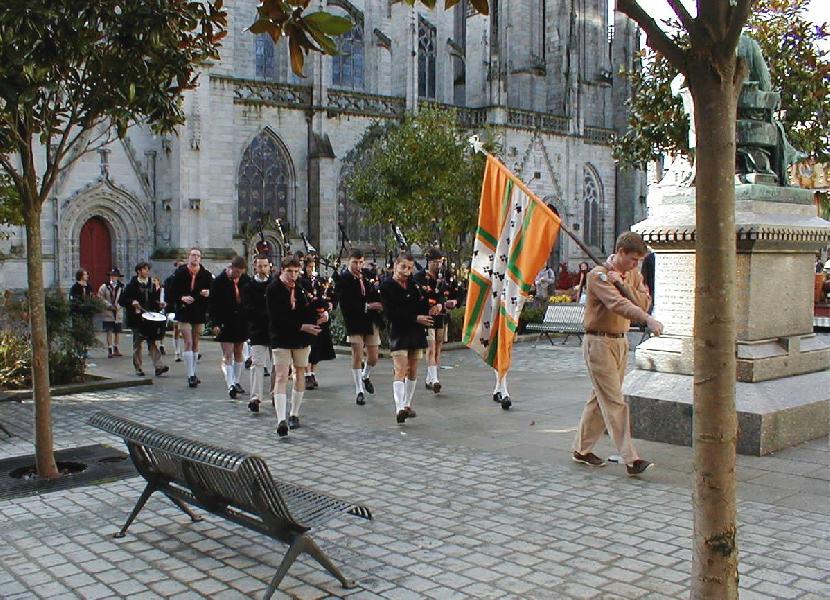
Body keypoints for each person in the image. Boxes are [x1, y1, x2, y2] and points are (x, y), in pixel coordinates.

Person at [572, 232, 664, 477]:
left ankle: (581, 450)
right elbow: (618, 305)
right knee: (614, 401)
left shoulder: (631, 274)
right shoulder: (597, 276)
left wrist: (623, 284)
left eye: (639, 261)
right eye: (633, 259)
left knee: (599, 399)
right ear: (621, 252)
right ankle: (631, 459)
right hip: (599, 342)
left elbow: (642, 303)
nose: (636, 265)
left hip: (621, 342)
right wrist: (646, 319)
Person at [267, 256, 327, 437]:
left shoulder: (301, 288)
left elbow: (307, 310)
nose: (293, 275)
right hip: (281, 338)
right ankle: (280, 419)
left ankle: (294, 413)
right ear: (282, 270)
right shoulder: (273, 289)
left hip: (301, 339)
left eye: (296, 271)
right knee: (281, 376)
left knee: (300, 372)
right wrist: (302, 326)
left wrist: (321, 316)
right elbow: (277, 317)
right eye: (289, 272)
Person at [379, 253, 435, 424]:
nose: (406, 271)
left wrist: (435, 305)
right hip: (398, 330)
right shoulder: (387, 285)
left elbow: (421, 303)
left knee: (412, 369)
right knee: (400, 368)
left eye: (409, 268)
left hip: (416, 331)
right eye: (403, 267)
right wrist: (415, 317)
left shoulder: (413, 284)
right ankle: (399, 407)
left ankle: (407, 404)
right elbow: (391, 312)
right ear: (395, 265)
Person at [335, 249, 384, 406]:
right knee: (357, 353)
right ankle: (359, 391)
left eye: (360, 262)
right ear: (348, 261)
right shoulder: (344, 279)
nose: (358, 265)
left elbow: (375, 293)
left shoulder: (367, 275)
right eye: (355, 262)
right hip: (354, 320)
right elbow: (346, 303)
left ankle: (365, 375)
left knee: (373, 357)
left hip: (370, 320)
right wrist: (368, 306)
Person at [413, 248, 460, 393]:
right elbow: (419, 295)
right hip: (427, 316)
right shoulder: (420, 277)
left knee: (438, 348)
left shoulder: (446, 275)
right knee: (431, 348)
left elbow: (458, 292)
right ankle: (435, 380)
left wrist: (454, 302)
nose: (438, 265)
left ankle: (430, 378)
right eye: (435, 262)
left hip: (442, 316)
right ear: (429, 261)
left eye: (440, 262)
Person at [168, 248, 212, 388]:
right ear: (188, 257)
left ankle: (194, 372)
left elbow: (213, 290)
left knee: (196, 341)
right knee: (188, 341)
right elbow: (171, 292)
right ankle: (190, 374)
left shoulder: (205, 274)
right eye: (193, 255)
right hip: (184, 310)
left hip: (198, 310)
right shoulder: (180, 273)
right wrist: (181, 297)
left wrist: (208, 293)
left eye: (198, 256)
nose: (195, 258)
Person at [119, 262, 169, 378]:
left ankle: (159, 367)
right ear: (139, 271)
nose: (147, 271)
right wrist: (132, 302)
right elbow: (122, 299)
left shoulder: (151, 284)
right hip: (137, 319)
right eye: (145, 269)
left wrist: (159, 305)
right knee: (137, 343)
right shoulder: (132, 284)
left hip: (150, 319)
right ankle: (138, 367)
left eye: (148, 269)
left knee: (152, 342)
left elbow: (154, 300)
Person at [210, 255, 250, 399]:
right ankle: (230, 385)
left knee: (239, 351)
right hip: (225, 321)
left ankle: (237, 381)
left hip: (241, 321)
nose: (239, 275)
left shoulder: (246, 280)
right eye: (237, 272)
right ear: (231, 268)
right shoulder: (219, 282)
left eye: (241, 272)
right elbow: (213, 304)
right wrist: (215, 323)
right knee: (228, 353)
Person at [299, 257, 336, 390]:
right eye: (309, 266)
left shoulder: (319, 281)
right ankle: (307, 374)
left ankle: (312, 373)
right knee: (310, 347)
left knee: (318, 347)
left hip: (321, 317)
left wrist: (326, 310)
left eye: (313, 266)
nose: (311, 269)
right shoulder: (301, 282)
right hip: (309, 317)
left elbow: (325, 297)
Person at [243, 254, 273, 413]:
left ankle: (276, 393)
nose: (262, 269)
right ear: (255, 266)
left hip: (274, 331)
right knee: (257, 364)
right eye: (259, 266)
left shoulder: (275, 284)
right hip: (257, 330)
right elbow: (248, 308)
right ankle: (255, 397)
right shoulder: (249, 286)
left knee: (277, 365)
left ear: (269, 266)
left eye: (265, 266)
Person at [97, 268, 124, 358]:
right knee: (109, 331)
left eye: (115, 276)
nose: (113, 277)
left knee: (117, 331)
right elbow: (100, 298)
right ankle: (109, 348)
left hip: (118, 311)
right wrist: (109, 305)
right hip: (108, 312)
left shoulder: (122, 287)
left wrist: (118, 306)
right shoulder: (104, 286)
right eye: (112, 276)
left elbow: (124, 298)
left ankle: (116, 347)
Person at [163, 260, 184, 362]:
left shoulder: (187, 279)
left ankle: (191, 350)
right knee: (176, 329)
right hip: (174, 307)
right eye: (179, 266)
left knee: (187, 329)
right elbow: (168, 297)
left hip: (184, 307)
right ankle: (177, 351)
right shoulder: (169, 280)